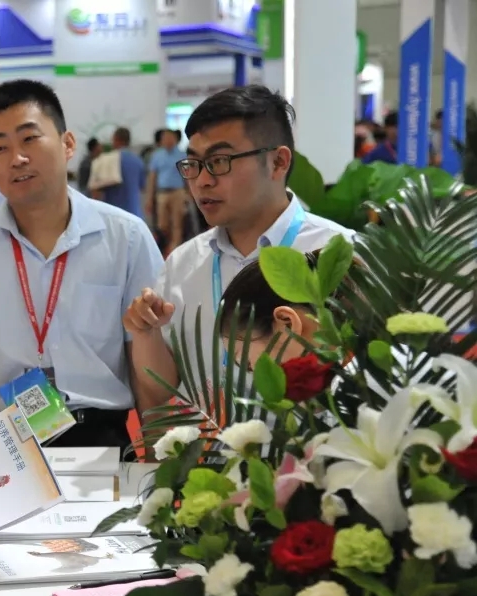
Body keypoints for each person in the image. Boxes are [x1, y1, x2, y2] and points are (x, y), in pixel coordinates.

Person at [0, 80, 164, 447]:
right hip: (7, 435)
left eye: (29, 139)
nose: (17, 158)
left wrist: (158, 448)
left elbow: (144, 353)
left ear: (68, 144)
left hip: (102, 436)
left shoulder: (126, 237)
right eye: (0, 148)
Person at [124, 85, 352, 413]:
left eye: (219, 161)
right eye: (193, 164)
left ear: (277, 162)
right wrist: (146, 333)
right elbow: (163, 390)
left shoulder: (338, 255)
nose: (202, 181)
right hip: (205, 443)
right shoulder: (184, 264)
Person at [145, 129, 188, 255]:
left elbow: (187, 175)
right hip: (162, 193)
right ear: (162, 140)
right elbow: (152, 178)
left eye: (171, 137)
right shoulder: (157, 156)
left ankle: (175, 250)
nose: (168, 140)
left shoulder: (182, 155)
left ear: (175, 139)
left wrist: (189, 193)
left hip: (178, 192)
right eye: (165, 138)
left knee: (177, 223)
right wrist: (149, 198)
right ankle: (165, 248)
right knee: (162, 225)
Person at [96, 127, 146, 219]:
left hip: (113, 213)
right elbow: (142, 186)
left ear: (116, 139)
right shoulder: (138, 161)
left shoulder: (107, 160)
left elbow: (98, 188)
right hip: (133, 212)